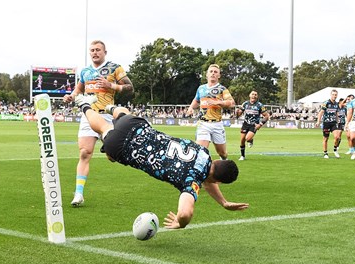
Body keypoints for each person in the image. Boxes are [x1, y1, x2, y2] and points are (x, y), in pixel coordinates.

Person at [74, 97, 249, 229]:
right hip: (125, 147)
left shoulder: (203, 152)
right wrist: (180, 223)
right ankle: (85, 105)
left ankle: (109, 108)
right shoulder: (192, 181)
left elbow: (207, 175)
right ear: (218, 181)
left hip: (139, 126)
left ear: (218, 161)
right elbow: (186, 213)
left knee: (122, 115)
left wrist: (223, 202)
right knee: (105, 131)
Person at [63, 40, 134, 207]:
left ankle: (108, 147)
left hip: (107, 117)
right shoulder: (85, 72)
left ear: (105, 52)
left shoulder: (115, 68)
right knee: (84, 153)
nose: (95, 53)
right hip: (88, 115)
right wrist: (71, 97)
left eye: (98, 50)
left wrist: (112, 85)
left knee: (112, 157)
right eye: (92, 50)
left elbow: (130, 88)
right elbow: (79, 90)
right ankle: (79, 194)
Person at [186, 64, 236, 160]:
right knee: (201, 151)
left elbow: (232, 103)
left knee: (223, 153)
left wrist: (218, 102)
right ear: (207, 75)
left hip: (217, 124)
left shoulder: (222, 89)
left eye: (215, 72)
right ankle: (203, 172)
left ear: (219, 76)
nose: (213, 73)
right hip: (203, 123)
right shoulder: (201, 88)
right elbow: (196, 100)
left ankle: (223, 162)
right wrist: (191, 108)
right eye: (211, 71)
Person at [234, 90, 270, 161]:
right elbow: (239, 114)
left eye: (255, 94)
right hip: (245, 124)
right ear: (249, 96)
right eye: (252, 94)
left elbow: (266, 116)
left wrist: (260, 124)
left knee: (247, 138)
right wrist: (237, 113)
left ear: (257, 96)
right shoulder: (245, 104)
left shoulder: (260, 105)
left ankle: (250, 140)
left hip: (254, 125)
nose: (254, 96)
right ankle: (242, 156)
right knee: (242, 140)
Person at [315, 90, 340, 158]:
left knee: (337, 137)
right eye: (333, 94)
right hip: (326, 123)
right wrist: (318, 121)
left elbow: (337, 114)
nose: (334, 96)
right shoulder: (326, 103)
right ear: (331, 95)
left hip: (333, 122)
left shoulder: (336, 104)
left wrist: (338, 121)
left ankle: (335, 149)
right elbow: (321, 113)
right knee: (326, 138)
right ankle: (325, 153)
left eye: (335, 95)